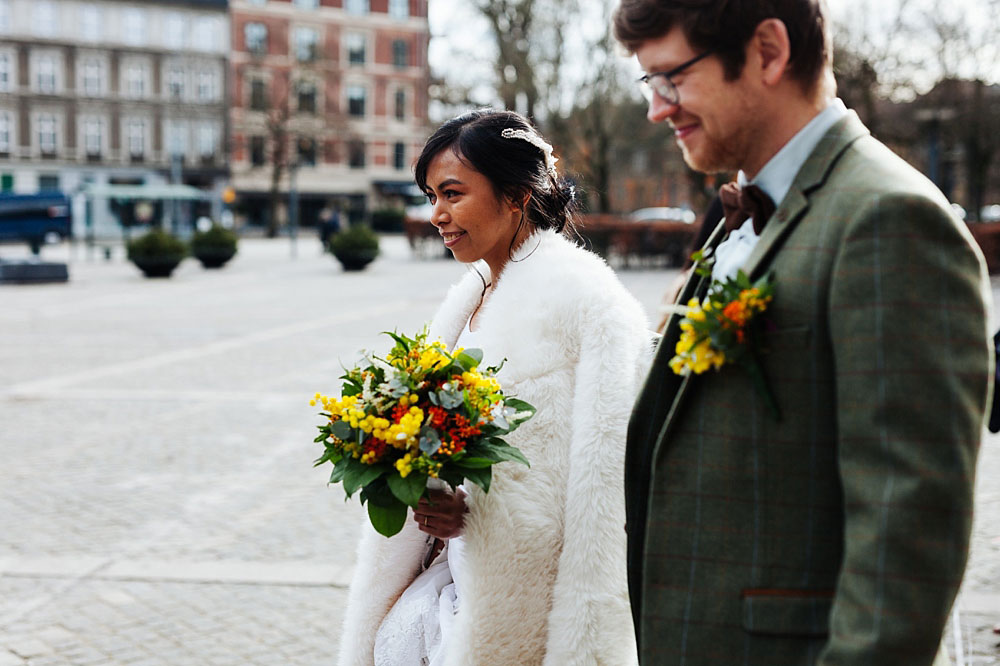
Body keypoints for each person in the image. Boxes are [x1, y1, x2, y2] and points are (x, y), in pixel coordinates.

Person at [613, 1, 992, 664]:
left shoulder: (888, 219)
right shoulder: (743, 211)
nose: (658, 108)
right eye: (650, 85)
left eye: (670, 79)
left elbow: (905, 543)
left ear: (767, 51)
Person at [336, 109, 650, 666]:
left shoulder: (591, 305)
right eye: (432, 195)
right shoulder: (467, 297)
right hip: (445, 584)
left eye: (452, 194)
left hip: (529, 609)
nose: (437, 214)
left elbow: (609, 498)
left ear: (515, 195)